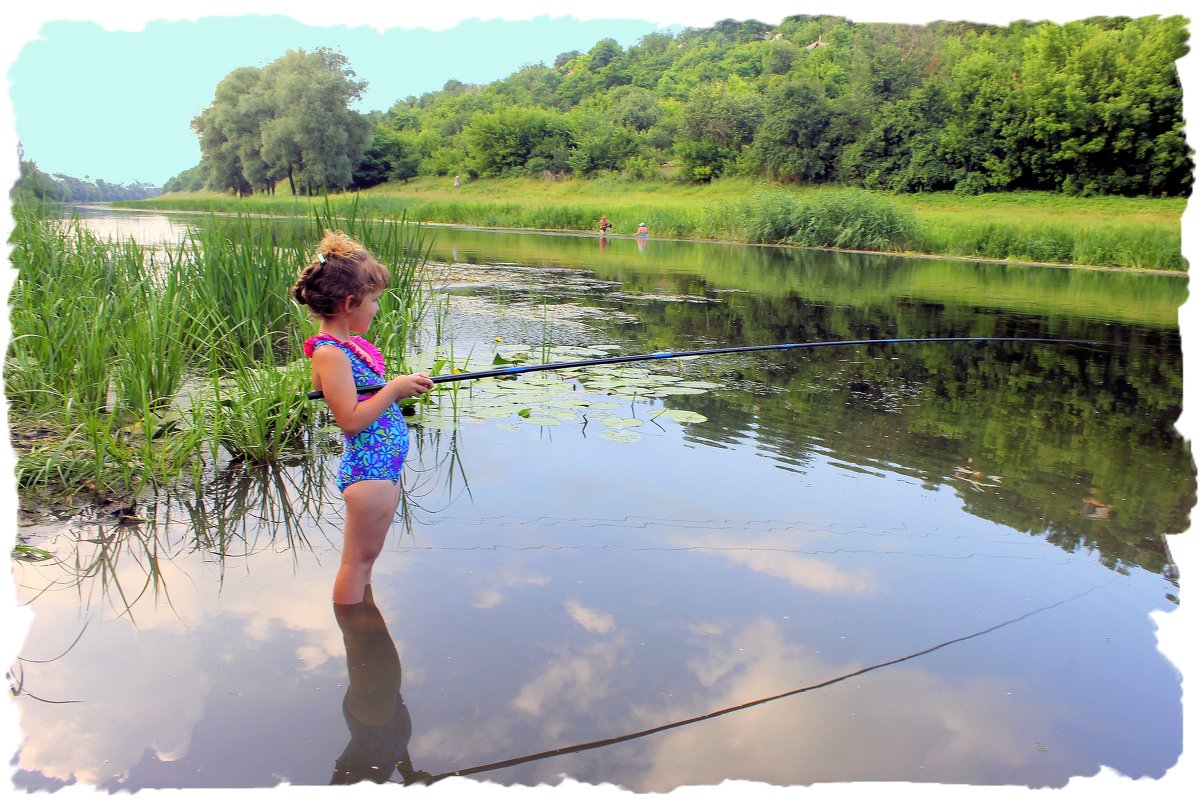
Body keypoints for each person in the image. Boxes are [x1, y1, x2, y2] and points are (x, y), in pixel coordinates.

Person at [293, 230, 434, 605]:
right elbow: (350, 421)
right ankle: (356, 637)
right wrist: (394, 390)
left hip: (382, 470)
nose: (376, 308)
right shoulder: (330, 353)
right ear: (350, 303)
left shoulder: (345, 347)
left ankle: (363, 627)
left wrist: (398, 386)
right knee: (356, 564)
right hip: (368, 475)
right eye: (373, 300)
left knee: (366, 562)